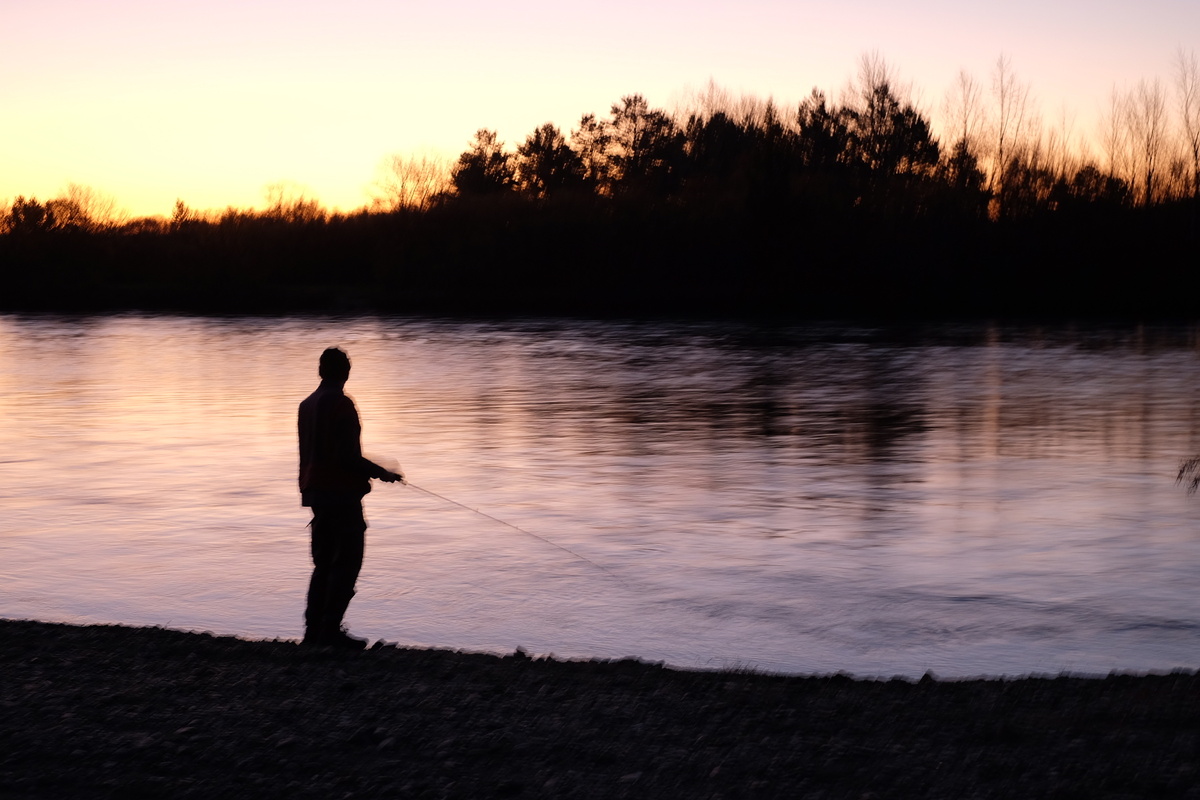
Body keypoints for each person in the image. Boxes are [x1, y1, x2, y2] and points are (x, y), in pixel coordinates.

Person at [298, 347, 403, 649]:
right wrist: (381, 472)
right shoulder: (341, 405)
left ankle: (313, 632)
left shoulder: (306, 405)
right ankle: (330, 631)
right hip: (340, 494)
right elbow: (347, 457)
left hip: (315, 492)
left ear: (321, 371)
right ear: (345, 372)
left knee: (323, 565)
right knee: (346, 562)